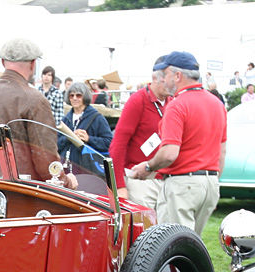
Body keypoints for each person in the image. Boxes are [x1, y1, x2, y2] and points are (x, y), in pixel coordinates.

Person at [128, 51, 226, 236]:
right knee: (193, 247)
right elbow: (222, 152)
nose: (163, 80)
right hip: (210, 184)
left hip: (183, 185)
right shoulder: (217, 104)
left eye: (165, 74)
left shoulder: (177, 105)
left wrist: (148, 167)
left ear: (178, 76)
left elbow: (169, 153)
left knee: (173, 249)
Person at [0, 37, 76, 188]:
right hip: (15, 194)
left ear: (3, 62)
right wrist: (67, 182)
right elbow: (45, 160)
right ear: (33, 63)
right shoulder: (34, 99)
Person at [110, 55, 172, 209]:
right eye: (168, 78)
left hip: (165, 181)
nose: (172, 83)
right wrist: (119, 186)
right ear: (156, 77)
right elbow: (118, 145)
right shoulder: (138, 101)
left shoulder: (172, 104)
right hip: (140, 182)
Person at [57, 82, 113, 178]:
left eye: (78, 95)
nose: (75, 98)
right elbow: (56, 143)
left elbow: (109, 143)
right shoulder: (66, 119)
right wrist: (70, 137)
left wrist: (89, 139)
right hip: (66, 170)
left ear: (85, 97)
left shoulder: (97, 118)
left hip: (88, 171)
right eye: (71, 95)